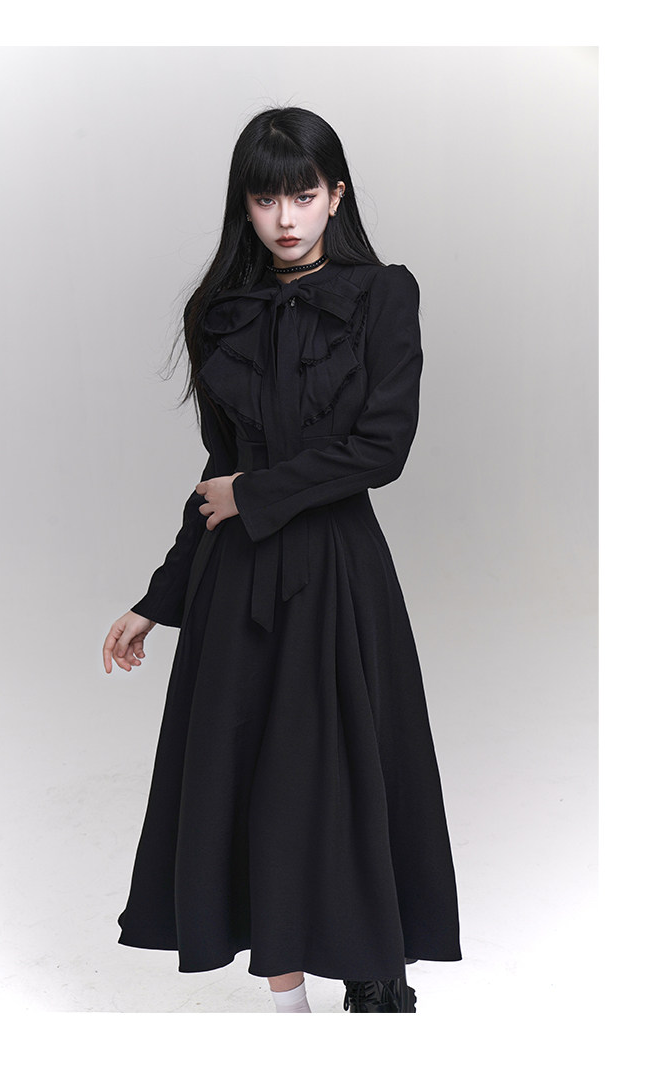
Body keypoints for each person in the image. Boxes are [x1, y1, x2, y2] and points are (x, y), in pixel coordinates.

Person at [102, 105, 462, 1013]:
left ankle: (374, 976)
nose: (286, 217)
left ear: (337, 195)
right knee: (250, 782)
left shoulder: (384, 295)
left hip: (339, 574)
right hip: (236, 583)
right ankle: (287, 1012)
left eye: (303, 195)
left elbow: (381, 448)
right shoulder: (217, 314)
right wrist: (158, 599)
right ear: (246, 207)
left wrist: (256, 494)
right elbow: (215, 476)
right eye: (266, 200)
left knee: (342, 776)